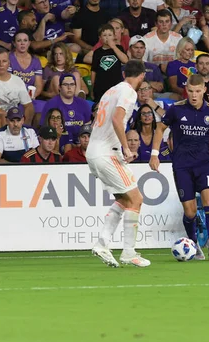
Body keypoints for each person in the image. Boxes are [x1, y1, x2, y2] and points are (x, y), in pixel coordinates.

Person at [150, 74, 209, 261]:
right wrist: (155, 154)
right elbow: (160, 128)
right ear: (186, 90)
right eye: (190, 91)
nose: (194, 95)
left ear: (204, 90)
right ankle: (194, 244)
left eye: (197, 91)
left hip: (204, 163)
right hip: (182, 165)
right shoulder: (176, 110)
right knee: (190, 212)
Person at [86, 60, 150, 268]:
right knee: (136, 198)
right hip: (107, 153)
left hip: (95, 152)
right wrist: (126, 147)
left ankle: (102, 244)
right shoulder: (129, 92)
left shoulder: (110, 91)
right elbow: (116, 119)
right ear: (141, 76)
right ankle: (128, 252)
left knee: (124, 200)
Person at [0, 48, 34, 126]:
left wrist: (24, 126)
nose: (1, 64)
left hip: (16, 120)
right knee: (1, 115)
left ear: (9, 63)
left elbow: (28, 106)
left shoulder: (17, 80)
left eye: (4, 61)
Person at [41, 73, 93, 145]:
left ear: (75, 87)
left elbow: (88, 128)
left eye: (72, 84)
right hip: (58, 143)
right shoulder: (51, 104)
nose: (69, 87)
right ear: (59, 87)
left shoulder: (83, 104)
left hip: (80, 145)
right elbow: (45, 129)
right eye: (65, 85)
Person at [90, 23, 128, 102]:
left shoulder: (119, 48)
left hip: (116, 86)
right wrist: (92, 88)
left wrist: (113, 47)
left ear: (114, 36)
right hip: (100, 86)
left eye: (110, 35)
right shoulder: (97, 52)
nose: (107, 37)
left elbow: (125, 60)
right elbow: (94, 71)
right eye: (104, 35)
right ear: (100, 38)